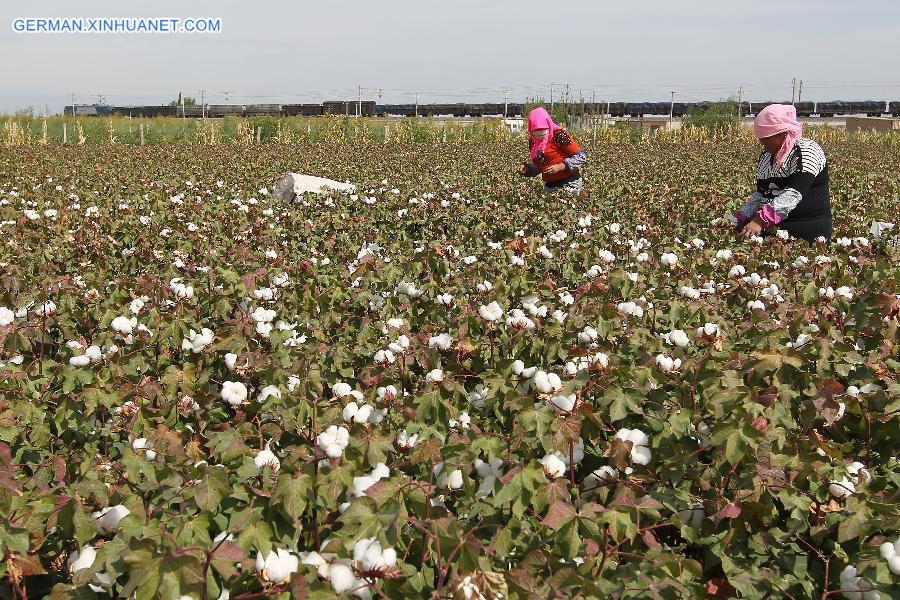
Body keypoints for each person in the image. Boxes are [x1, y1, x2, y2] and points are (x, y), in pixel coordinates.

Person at [735, 104, 831, 242]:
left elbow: (793, 194)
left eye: (767, 137)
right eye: (761, 138)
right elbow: (761, 194)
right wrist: (737, 218)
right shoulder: (767, 155)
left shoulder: (806, 151)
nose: (763, 142)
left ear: (783, 132)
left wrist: (760, 221)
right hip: (773, 229)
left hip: (807, 230)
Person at [517, 107, 587, 195]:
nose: (540, 135)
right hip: (550, 186)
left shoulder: (559, 135)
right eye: (536, 132)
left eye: (543, 131)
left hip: (569, 182)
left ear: (548, 124)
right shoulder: (533, 142)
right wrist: (527, 169)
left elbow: (581, 157)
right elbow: (540, 167)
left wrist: (560, 166)